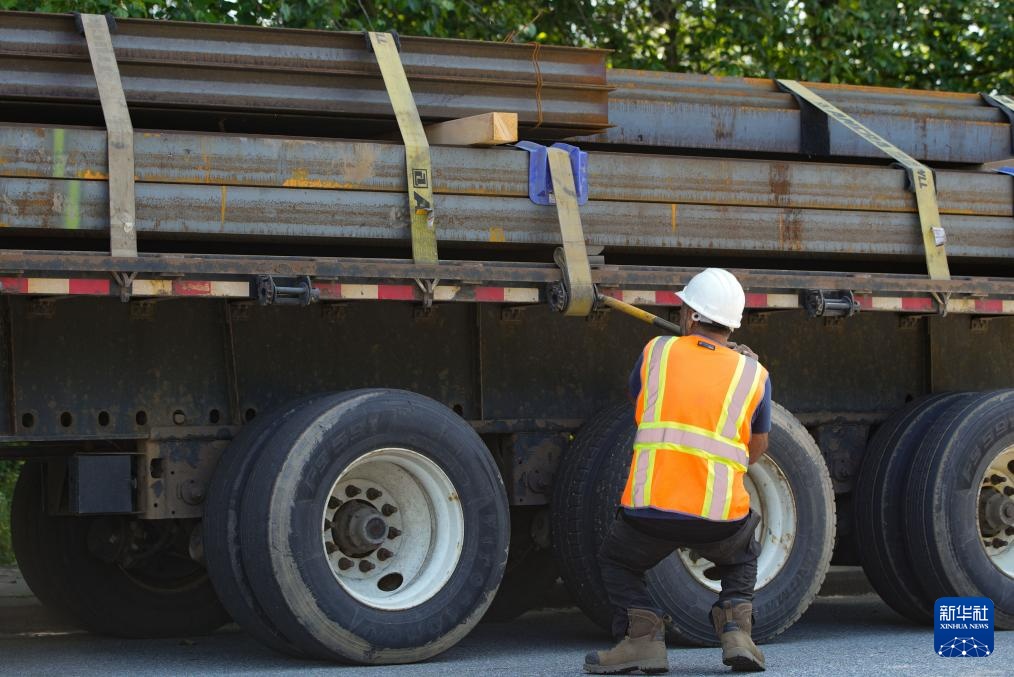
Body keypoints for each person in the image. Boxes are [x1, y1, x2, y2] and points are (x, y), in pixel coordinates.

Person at [584, 268, 771, 675]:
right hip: (720, 519)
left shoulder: (657, 353)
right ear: (732, 323)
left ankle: (642, 640)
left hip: (651, 513)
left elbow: (642, 405)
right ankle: (738, 630)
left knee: (617, 560)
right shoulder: (754, 375)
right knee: (742, 558)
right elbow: (754, 452)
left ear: (689, 316)